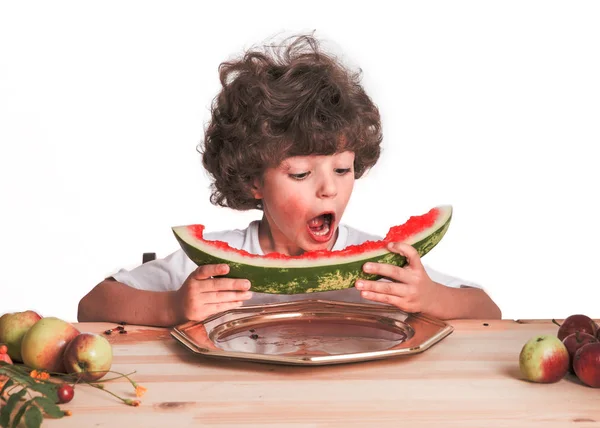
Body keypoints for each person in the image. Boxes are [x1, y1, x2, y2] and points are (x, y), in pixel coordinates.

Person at [77, 34, 501, 327]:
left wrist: (429, 298)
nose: (329, 189)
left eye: (343, 169)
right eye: (300, 173)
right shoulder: (212, 267)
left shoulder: (380, 265)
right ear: (253, 182)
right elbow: (92, 305)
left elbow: (489, 311)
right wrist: (172, 306)